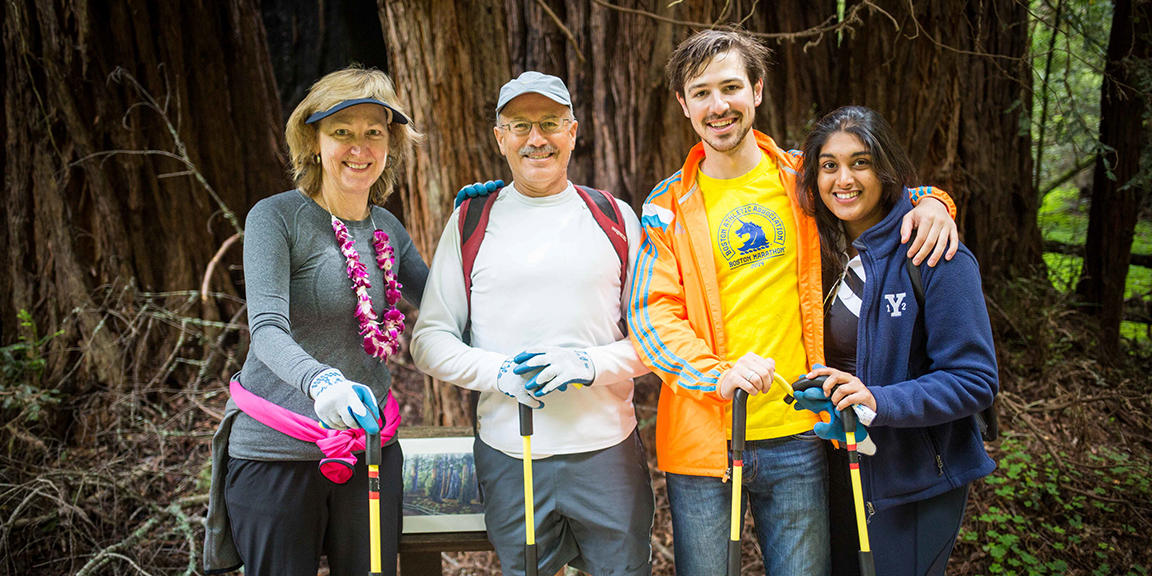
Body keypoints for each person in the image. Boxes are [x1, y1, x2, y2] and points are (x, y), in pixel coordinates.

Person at [628, 30, 960, 576]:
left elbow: (872, 190)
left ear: (756, 90)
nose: (719, 105)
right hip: (705, 439)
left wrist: (933, 203)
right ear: (684, 104)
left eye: (731, 86)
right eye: (702, 92)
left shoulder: (803, 177)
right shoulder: (665, 205)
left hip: (800, 430)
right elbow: (650, 316)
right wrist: (718, 375)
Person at [411, 71, 654, 576]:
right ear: (500, 138)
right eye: (520, 125)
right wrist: (498, 373)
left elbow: (657, 339)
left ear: (573, 131)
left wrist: (588, 363)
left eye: (549, 123)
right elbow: (430, 339)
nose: (536, 138)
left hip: (606, 451)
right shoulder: (471, 221)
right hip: (509, 450)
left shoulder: (615, 218)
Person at [203, 66, 426, 576]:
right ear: (313, 139)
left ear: (390, 143)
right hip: (276, 455)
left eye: (374, 132)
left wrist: (480, 222)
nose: (359, 147)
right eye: (341, 132)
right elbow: (266, 328)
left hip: (370, 450)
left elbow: (447, 305)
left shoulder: (386, 227)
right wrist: (321, 380)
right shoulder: (276, 218)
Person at [793, 105, 997, 575]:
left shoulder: (934, 252)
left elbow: (975, 379)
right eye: (829, 165)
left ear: (885, 168)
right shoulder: (816, 252)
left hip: (913, 478)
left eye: (860, 162)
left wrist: (877, 401)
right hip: (834, 471)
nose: (843, 179)